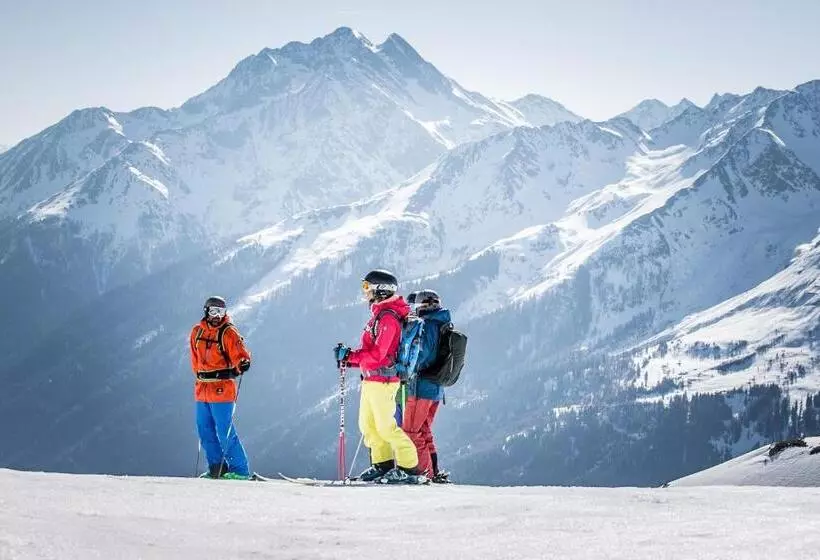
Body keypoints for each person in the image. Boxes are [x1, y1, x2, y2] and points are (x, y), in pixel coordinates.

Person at [335, 270, 423, 484]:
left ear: (381, 290)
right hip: (372, 379)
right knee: (368, 426)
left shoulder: (388, 318)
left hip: (384, 381)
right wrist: (348, 358)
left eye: (368, 287)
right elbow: (371, 354)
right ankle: (382, 464)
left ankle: (410, 469)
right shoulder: (379, 314)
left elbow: (378, 355)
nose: (365, 292)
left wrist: (351, 356)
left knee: (386, 427)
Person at [190, 296, 252, 480]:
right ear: (206, 311)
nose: (217, 316)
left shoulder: (228, 333)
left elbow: (240, 354)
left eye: (221, 312)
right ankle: (217, 468)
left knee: (224, 429)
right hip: (203, 388)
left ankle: (240, 470)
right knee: (204, 429)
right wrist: (200, 375)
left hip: (222, 389)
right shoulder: (197, 332)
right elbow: (194, 358)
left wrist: (242, 363)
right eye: (213, 311)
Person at [404, 289, 451, 483]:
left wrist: (403, 366)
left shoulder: (428, 326)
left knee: (412, 432)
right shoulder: (442, 323)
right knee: (424, 431)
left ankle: (425, 475)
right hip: (436, 388)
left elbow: (421, 356)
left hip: (421, 387)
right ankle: (433, 470)